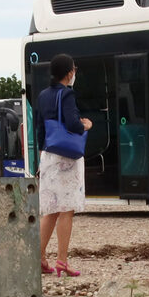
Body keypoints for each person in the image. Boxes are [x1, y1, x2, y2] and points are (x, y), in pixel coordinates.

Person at [38, 54, 92, 278]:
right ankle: (62, 260)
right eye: (74, 69)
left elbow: (41, 127)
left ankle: (38, 257)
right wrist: (86, 125)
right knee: (66, 209)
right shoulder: (67, 94)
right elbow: (72, 124)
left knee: (50, 209)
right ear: (69, 72)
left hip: (49, 155)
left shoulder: (43, 95)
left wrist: (40, 154)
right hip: (66, 159)